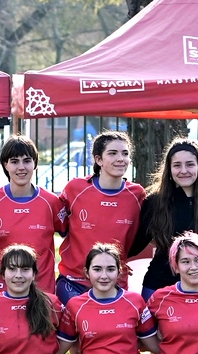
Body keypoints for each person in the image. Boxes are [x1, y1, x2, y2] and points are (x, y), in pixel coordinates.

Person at [133, 137, 198, 299]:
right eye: (177, 165)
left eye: (190, 164)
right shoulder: (155, 201)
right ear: (169, 169)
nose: (183, 170)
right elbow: (136, 243)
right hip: (158, 284)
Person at [56, 131, 144, 305]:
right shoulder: (75, 188)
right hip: (74, 282)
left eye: (125, 153)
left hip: (114, 282)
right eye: (112, 153)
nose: (121, 158)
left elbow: (139, 237)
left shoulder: (137, 195)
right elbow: (60, 227)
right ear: (98, 160)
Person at [0, 136, 63, 296]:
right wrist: (3, 264)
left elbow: (75, 238)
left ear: (35, 164)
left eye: (27, 160)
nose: (21, 167)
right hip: (1, 288)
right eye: (14, 161)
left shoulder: (51, 201)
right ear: (5, 164)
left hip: (41, 290)